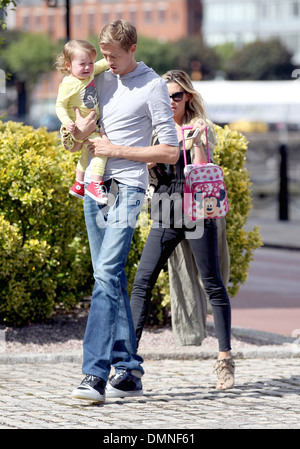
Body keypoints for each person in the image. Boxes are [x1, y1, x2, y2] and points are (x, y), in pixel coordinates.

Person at [62, 20, 179, 402]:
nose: (106, 62)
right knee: (108, 277)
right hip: (95, 189)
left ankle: (94, 374)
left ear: (132, 48)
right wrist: (75, 133)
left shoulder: (153, 86)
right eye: (103, 55)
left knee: (107, 273)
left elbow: (170, 152)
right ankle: (128, 371)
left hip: (129, 189)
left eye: (113, 55)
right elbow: (76, 139)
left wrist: (118, 151)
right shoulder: (100, 79)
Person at [130, 70, 235, 390]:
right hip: (164, 211)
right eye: (166, 96)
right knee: (141, 283)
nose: (171, 102)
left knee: (213, 284)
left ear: (187, 96)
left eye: (176, 96)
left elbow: (201, 172)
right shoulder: (153, 127)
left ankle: (224, 359)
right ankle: (127, 363)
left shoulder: (199, 127)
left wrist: (197, 141)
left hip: (198, 211)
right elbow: (143, 168)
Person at [55, 39, 109, 204]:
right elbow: (59, 105)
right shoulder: (68, 84)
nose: (87, 67)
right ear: (68, 65)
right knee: (101, 150)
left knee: (87, 154)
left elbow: (101, 65)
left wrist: (111, 59)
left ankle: (79, 184)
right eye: (82, 64)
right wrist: (66, 122)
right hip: (74, 127)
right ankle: (95, 183)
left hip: (90, 128)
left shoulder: (90, 73)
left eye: (90, 63)